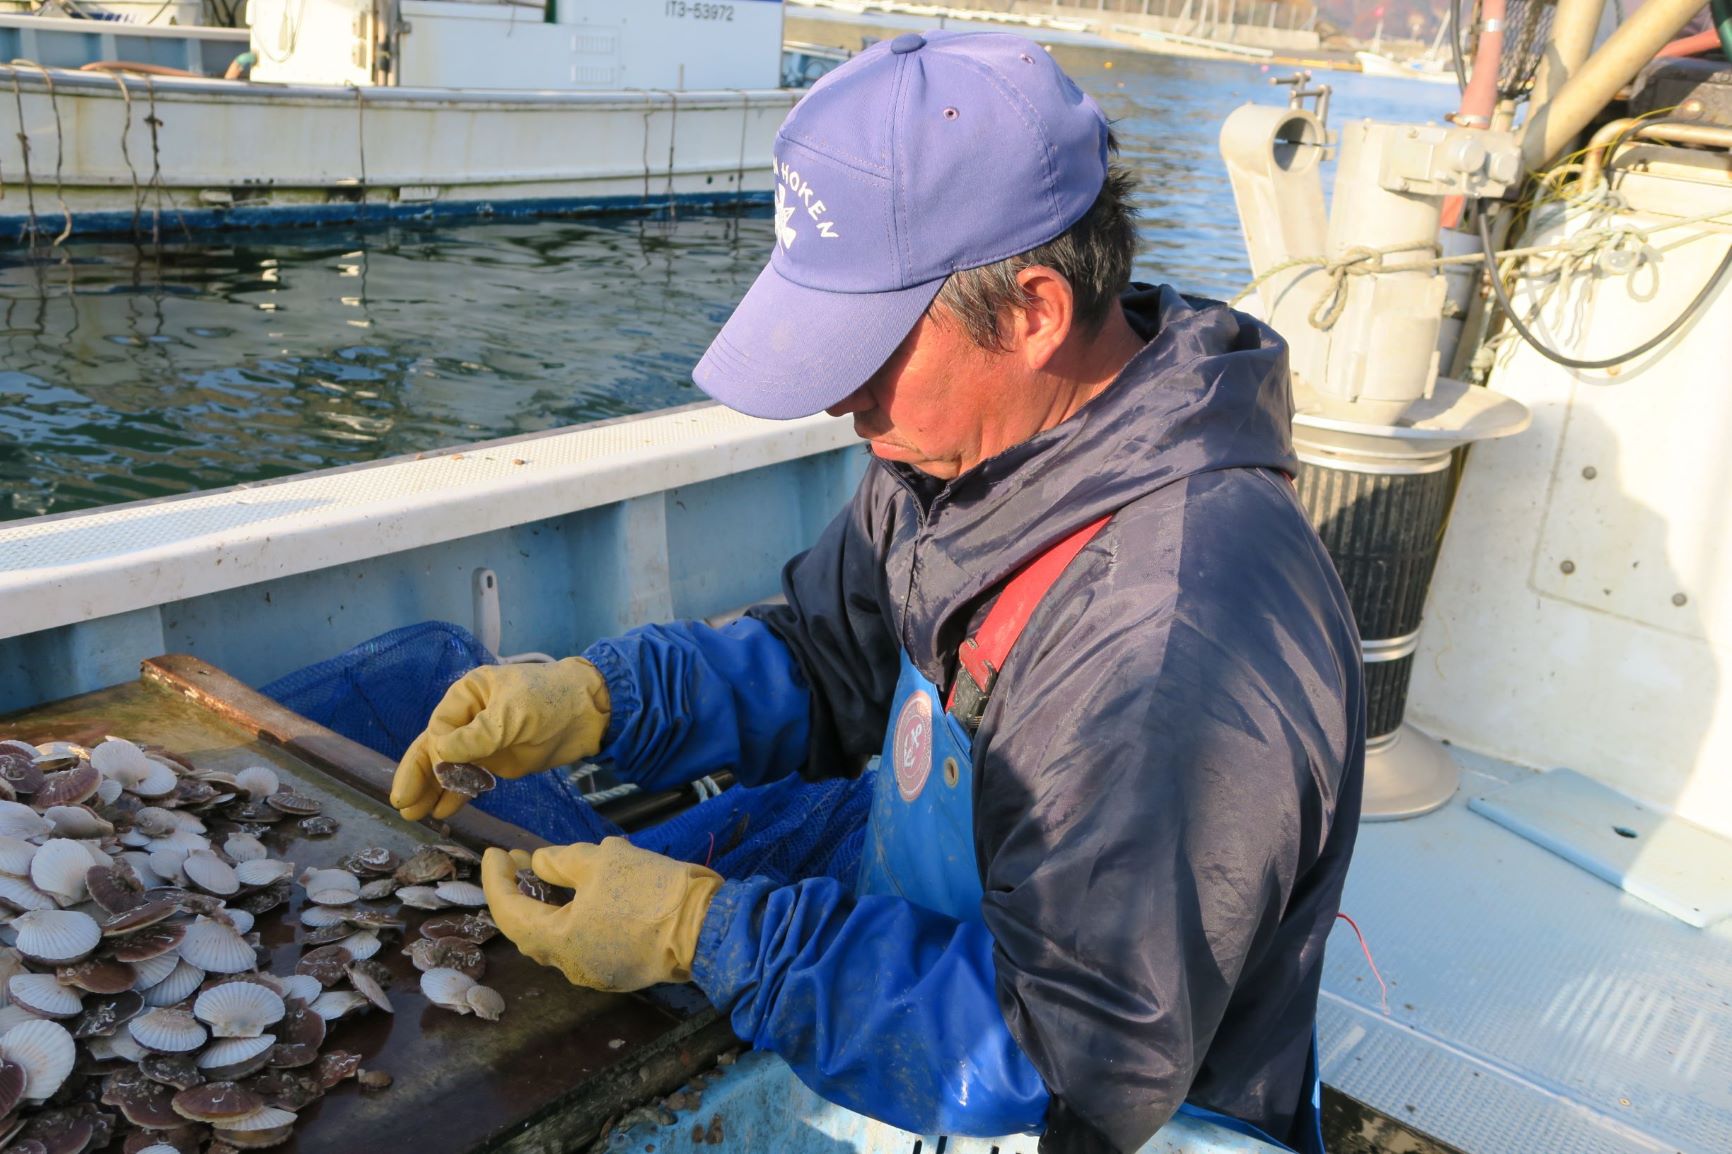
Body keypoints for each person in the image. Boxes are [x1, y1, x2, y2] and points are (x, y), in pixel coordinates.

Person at [390, 30, 1364, 1154]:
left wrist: (707, 935)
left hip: (1097, 1098)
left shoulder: (1167, 635)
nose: (835, 396)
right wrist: (604, 698)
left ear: (1035, 310)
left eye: (869, 342)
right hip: (953, 948)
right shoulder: (958, 450)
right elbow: (829, 655)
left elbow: (1075, 1050)